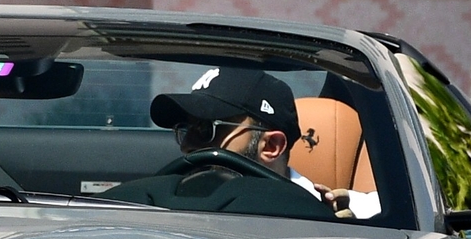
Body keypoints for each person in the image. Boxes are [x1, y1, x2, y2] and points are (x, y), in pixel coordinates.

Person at [107, 68, 336, 220]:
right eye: (185, 129)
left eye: (207, 129)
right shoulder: (156, 204)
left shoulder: (335, 216)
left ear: (271, 146)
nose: (186, 145)